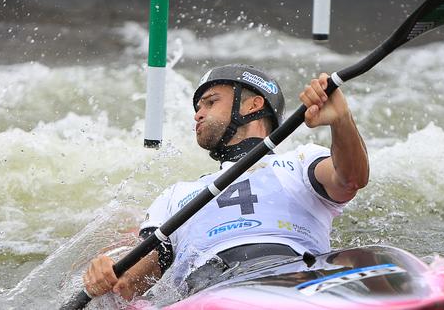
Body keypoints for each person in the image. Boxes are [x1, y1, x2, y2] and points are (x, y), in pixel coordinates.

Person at [83, 64, 369, 301]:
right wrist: (106, 274)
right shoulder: (176, 195)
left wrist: (341, 121)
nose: (197, 113)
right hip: (209, 287)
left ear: (253, 105)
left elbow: (352, 178)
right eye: (198, 107)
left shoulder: (300, 161)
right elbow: (132, 283)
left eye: (210, 102)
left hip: (295, 273)